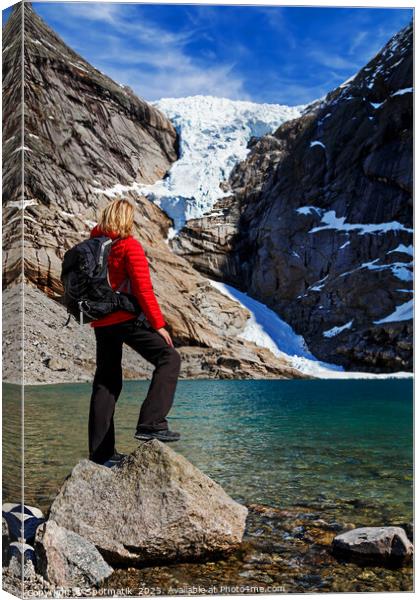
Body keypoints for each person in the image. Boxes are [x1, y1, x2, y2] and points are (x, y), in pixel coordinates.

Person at [88, 198, 181, 466]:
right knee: (169, 358)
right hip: (125, 318)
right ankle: (151, 423)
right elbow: (143, 290)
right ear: (127, 220)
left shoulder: (94, 246)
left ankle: (101, 455)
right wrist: (159, 325)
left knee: (106, 383)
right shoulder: (129, 246)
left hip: (101, 322)